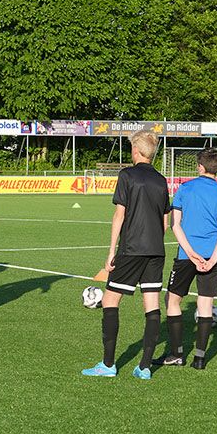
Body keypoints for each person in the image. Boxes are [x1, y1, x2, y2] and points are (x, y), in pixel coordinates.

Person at [81, 130, 170, 380]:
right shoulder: (161, 180)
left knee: (110, 301)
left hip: (131, 248)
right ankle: (144, 367)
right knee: (151, 306)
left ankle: (108, 365)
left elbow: (119, 215)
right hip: (156, 250)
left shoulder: (127, 175)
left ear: (136, 151)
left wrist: (111, 251)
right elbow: (166, 221)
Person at [153, 148, 217, 370]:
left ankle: (177, 354)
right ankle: (199, 358)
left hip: (186, 255)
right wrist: (212, 259)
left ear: (200, 167)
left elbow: (175, 225)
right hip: (212, 256)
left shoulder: (185, 189)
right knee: (205, 304)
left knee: (172, 300)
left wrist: (190, 254)